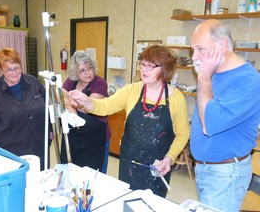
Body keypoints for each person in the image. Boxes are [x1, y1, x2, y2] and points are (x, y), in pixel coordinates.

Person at [64, 45, 190, 197]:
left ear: (164, 69)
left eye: (151, 66)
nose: (144, 69)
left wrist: (169, 158)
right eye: (142, 64)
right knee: (128, 201)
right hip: (129, 163)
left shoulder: (176, 98)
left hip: (158, 166)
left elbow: (183, 134)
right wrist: (86, 101)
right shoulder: (132, 90)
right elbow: (105, 106)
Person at [190, 19, 260, 212]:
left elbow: (209, 124)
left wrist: (203, 76)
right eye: (192, 50)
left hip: (225, 173)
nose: (194, 57)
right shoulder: (214, 74)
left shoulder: (248, 81)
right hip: (206, 168)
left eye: (200, 49)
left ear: (222, 46)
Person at [0, 48, 52, 170]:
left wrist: (50, 129)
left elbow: (47, 107)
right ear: (1, 70)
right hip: (10, 154)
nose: (14, 72)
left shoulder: (33, 83)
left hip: (39, 149)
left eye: (16, 68)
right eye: (8, 69)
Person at [60, 50, 110, 173]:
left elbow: (90, 107)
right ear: (75, 72)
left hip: (95, 138)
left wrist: (70, 104)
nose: (87, 73)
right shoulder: (71, 81)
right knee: (71, 172)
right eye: (82, 70)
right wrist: (74, 105)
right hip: (74, 136)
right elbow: (60, 97)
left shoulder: (100, 83)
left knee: (92, 176)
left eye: (90, 68)